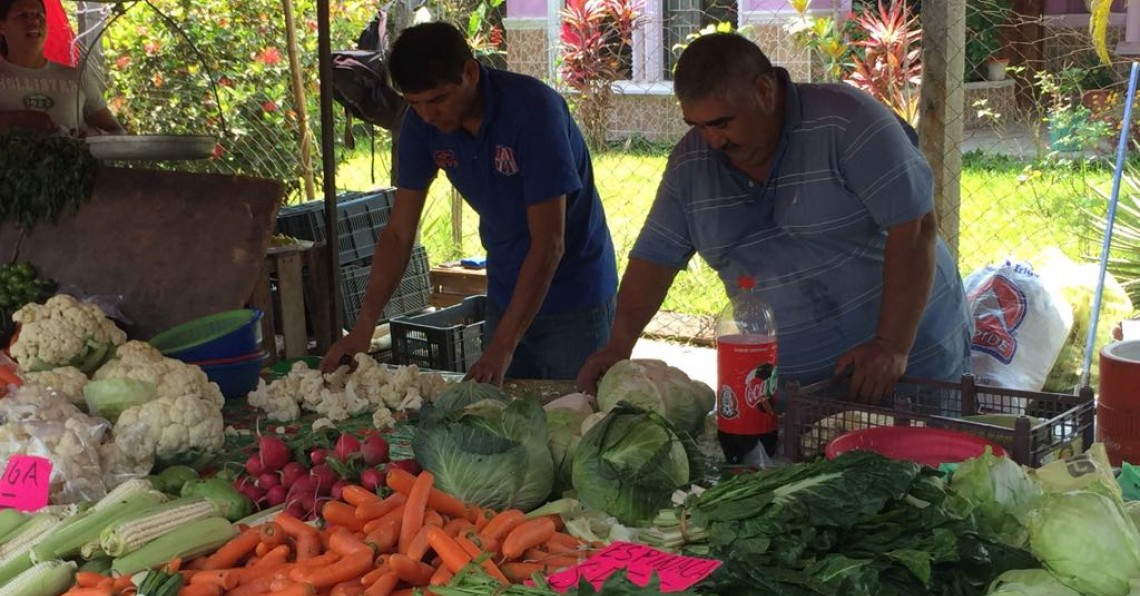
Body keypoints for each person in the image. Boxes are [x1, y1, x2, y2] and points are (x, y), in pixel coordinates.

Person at [578, 32, 971, 408]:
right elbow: (654, 259)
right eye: (697, 125)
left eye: (722, 122)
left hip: (909, 363)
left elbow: (915, 227)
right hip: (792, 390)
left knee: (926, 470)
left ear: (765, 91)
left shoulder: (848, 122)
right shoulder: (691, 164)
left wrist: (891, 345)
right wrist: (618, 347)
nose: (713, 140)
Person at [320, 22, 618, 385]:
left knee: (574, 419)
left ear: (470, 73)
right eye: (415, 103)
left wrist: (502, 346)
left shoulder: (533, 112)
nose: (428, 115)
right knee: (502, 421)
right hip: (507, 288)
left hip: (575, 292)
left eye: (438, 99)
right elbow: (399, 234)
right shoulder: (420, 125)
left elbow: (549, 244)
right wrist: (363, 328)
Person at [0, 0, 123, 135]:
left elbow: (117, 133)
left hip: (68, 156)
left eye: (39, 16)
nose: (34, 22)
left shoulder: (77, 79)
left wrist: (88, 136)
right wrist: (18, 119)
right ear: (2, 26)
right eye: (23, 15)